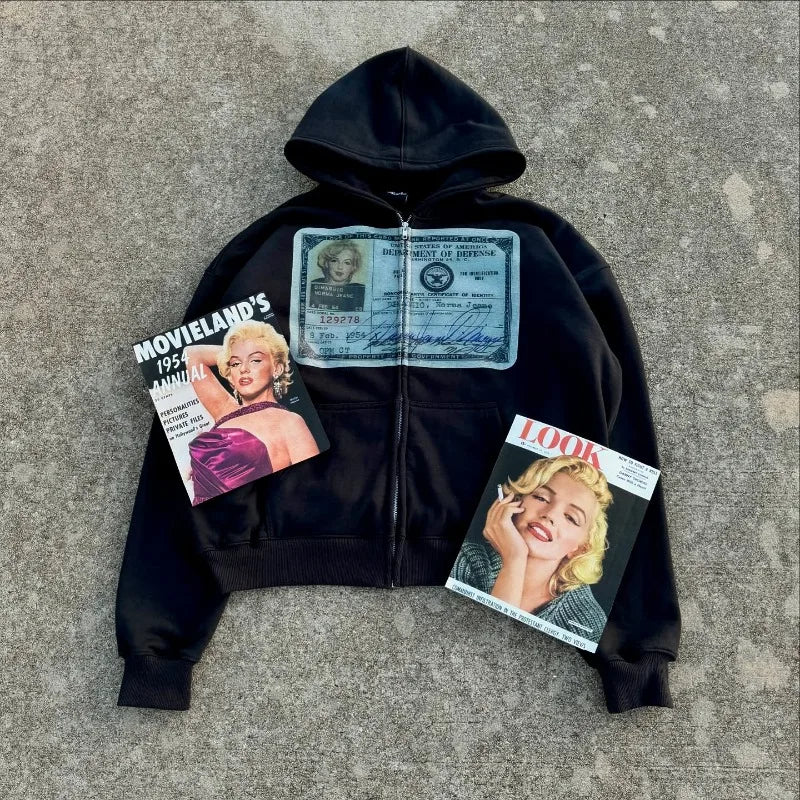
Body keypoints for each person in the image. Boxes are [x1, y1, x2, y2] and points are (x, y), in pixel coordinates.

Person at [451, 454, 613, 643]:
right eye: (541, 498)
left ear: (580, 549)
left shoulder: (588, 622)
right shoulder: (464, 561)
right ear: (514, 501)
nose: (550, 514)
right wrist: (514, 558)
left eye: (570, 517)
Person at [184, 319, 320, 505]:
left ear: (277, 368)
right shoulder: (224, 409)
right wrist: (232, 356)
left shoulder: (290, 422)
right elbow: (191, 354)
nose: (243, 369)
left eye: (255, 360)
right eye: (235, 364)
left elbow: (311, 489)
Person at [309, 240, 366, 311]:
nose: (340, 267)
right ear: (326, 263)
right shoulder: (312, 286)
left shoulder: (358, 292)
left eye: (347, 263)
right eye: (334, 261)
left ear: (353, 267)